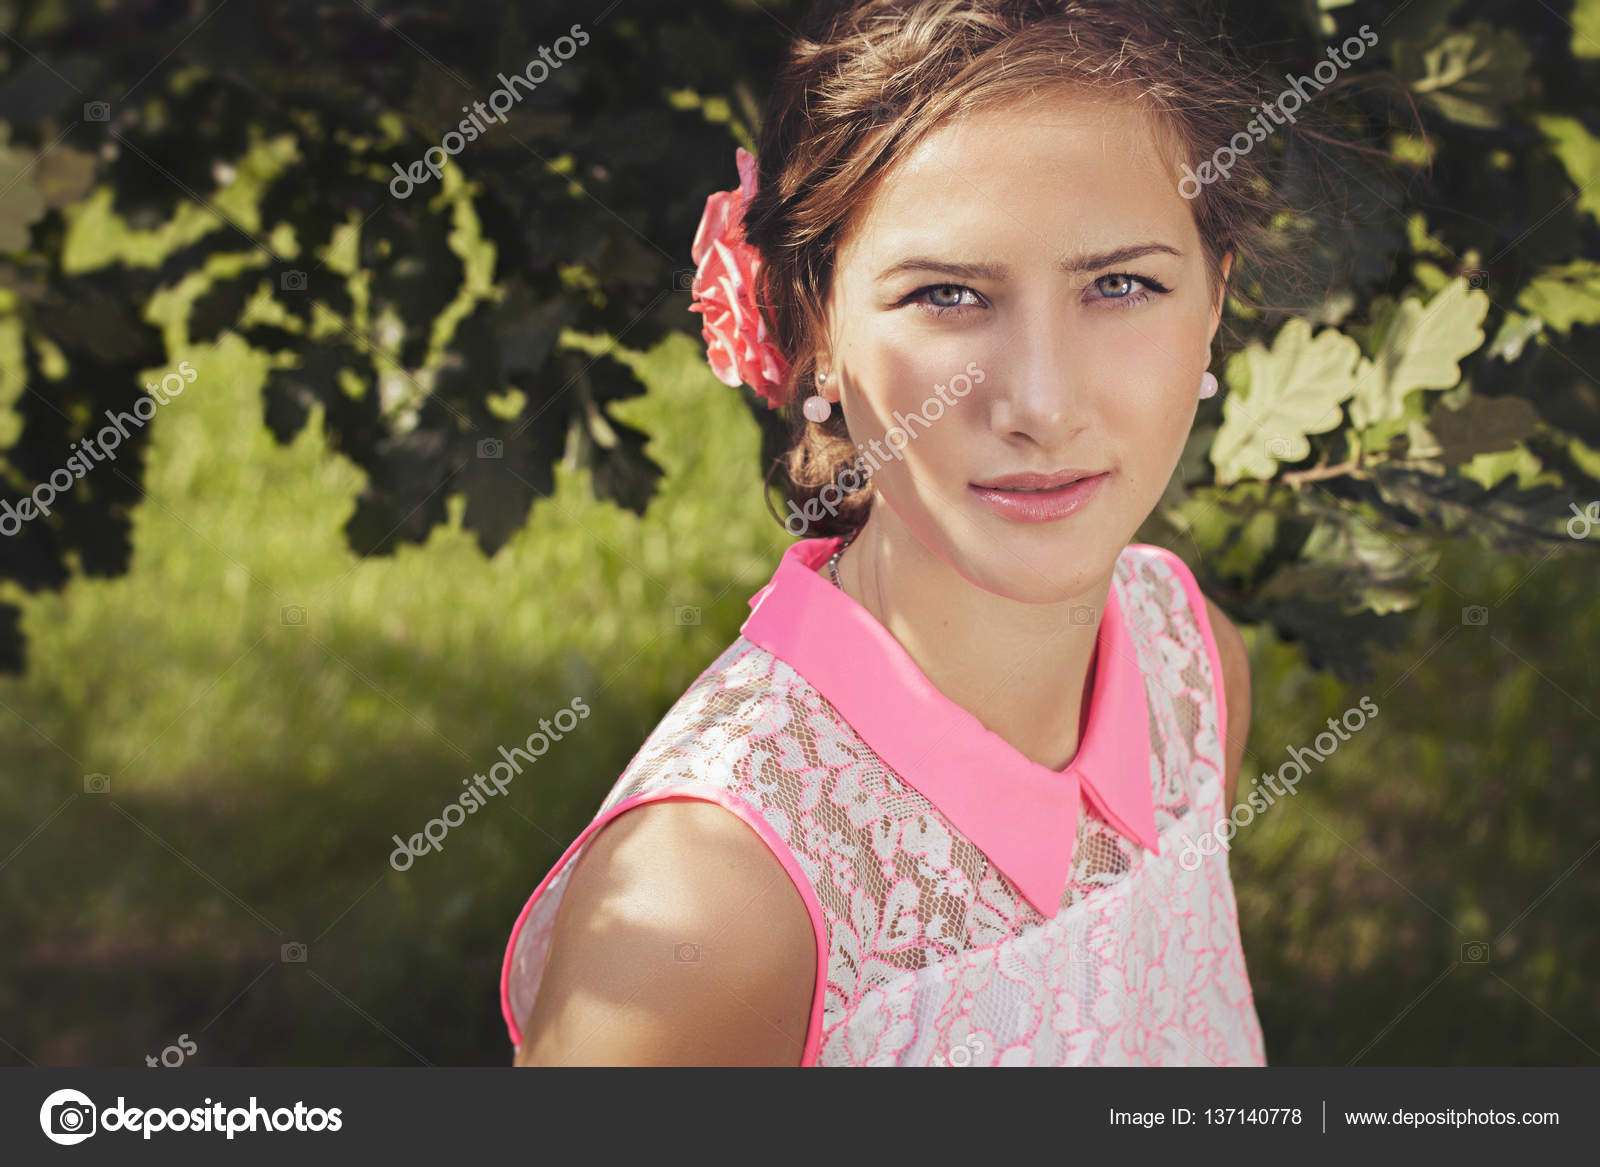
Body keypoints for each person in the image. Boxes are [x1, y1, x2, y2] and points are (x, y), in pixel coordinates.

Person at [503, 0, 1290, 1066]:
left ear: (1213, 298)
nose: (1041, 404)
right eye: (948, 294)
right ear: (811, 329)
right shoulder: (711, 907)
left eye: (1120, 284)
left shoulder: (1188, 662)